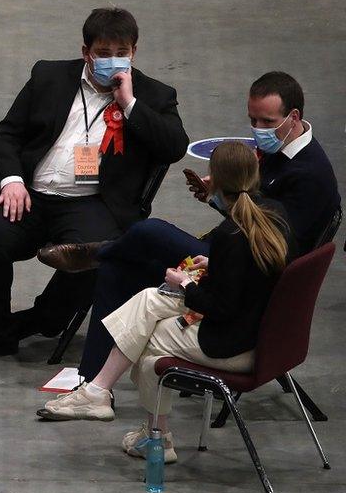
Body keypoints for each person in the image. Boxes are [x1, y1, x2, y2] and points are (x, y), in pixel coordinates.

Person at [41, 71, 341, 382]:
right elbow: (256, 214)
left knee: (150, 232)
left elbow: (274, 246)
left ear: (294, 117)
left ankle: (97, 251)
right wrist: (223, 195)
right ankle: (91, 383)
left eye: (267, 121)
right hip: (232, 257)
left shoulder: (310, 177)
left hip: (246, 276)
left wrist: (226, 207)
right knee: (116, 270)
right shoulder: (280, 147)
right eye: (253, 120)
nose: (258, 130)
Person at [0, 7, 189, 360]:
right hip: (30, 194)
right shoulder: (48, 76)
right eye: (102, 53)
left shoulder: (155, 95)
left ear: (134, 51)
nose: (112, 61)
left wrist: (129, 104)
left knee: (99, 250)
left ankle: (44, 318)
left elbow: (175, 147)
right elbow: (7, 134)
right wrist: (12, 180)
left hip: (93, 203)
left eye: (121, 53)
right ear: (86, 52)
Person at [38, 141, 295, 463]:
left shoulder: (232, 236)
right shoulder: (274, 215)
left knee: (148, 342)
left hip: (232, 345)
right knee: (150, 299)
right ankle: (101, 394)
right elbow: (252, 274)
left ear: (214, 179)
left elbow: (221, 306)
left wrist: (185, 282)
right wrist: (214, 268)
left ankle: (153, 435)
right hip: (261, 332)